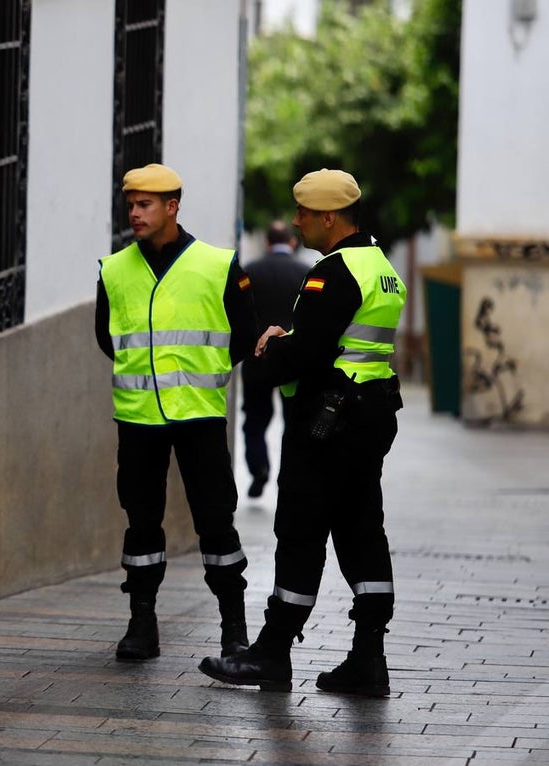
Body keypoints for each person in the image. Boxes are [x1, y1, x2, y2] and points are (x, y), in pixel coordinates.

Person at [199, 169, 406, 696]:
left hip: (328, 422)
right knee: (362, 530)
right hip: (370, 413)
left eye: (305, 214)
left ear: (329, 217)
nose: (296, 222)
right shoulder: (380, 267)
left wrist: (271, 346)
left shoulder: (332, 274)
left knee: (300, 529)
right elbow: (341, 341)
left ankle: (271, 653)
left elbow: (309, 355)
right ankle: (368, 657)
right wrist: (297, 339)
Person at [96, 163, 257, 662]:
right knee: (141, 522)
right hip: (138, 417)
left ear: (172, 206)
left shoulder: (218, 263)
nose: (135, 214)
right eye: (131, 205)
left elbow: (244, 335)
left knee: (216, 520)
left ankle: (235, 628)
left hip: (200, 415)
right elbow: (107, 337)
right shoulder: (114, 268)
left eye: (145, 205)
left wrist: (198, 371)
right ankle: (141, 623)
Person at [241, 222, 310, 498]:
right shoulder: (305, 272)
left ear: (268, 243)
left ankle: (259, 469)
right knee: (292, 420)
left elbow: (242, 314)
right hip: (292, 359)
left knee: (255, 419)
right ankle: (287, 478)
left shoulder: (251, 270)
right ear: (292, 242)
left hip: (257, 358)